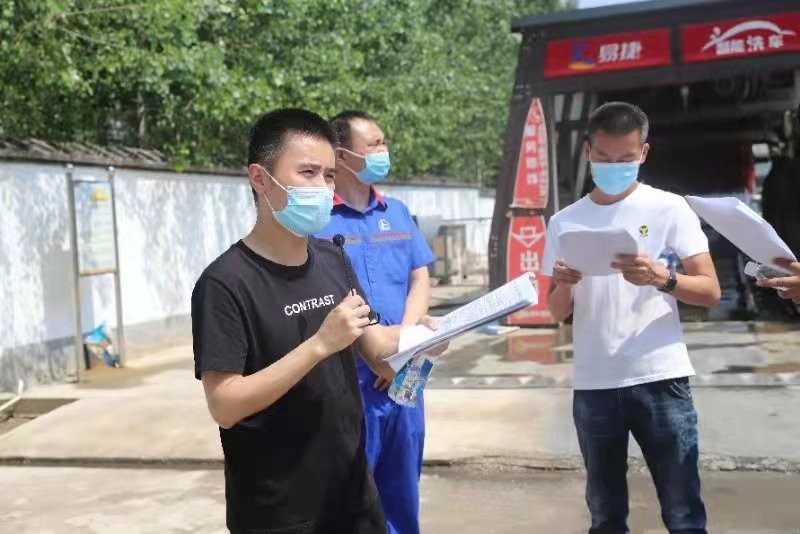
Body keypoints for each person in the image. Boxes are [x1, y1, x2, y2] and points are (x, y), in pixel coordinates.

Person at [191, 108, 441, 534]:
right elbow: (225, 405)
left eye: (328, 176)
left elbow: (375, 350)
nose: (322, 188)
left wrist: (420, 340)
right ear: (260, 179)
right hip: (282, 513)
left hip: (354, 499)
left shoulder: (332, 258)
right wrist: (319, 345)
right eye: (307, 172)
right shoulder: (225, 283)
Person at [541, 102, 721, 534]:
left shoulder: (669, 209)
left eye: (625, 158)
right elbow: (556, 310)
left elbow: (711, 291)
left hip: (660, 375)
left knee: (683, 511)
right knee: (605, 515)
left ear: (643, 152)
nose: (614, 166)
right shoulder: (565, 222)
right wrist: (565, 284)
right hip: (595, 382)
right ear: (588, 151)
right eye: (604, 157)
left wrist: (662, 277)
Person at [315, 110, 435, 534]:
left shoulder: (397, 212)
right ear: (342, 155)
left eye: (383, 142)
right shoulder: (318, 221)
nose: (383, 151)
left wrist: (401, 347)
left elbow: (420, 277)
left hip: (405, 379)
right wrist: (374, 353)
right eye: (374, 145)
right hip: (351, 382)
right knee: (352, 497)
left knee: (403, 491)